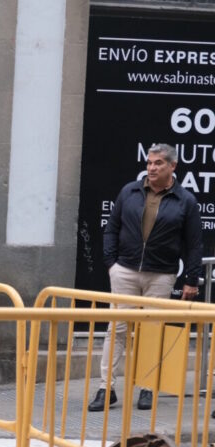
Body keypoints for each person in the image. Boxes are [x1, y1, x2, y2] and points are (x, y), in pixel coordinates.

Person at [89, 142, 201, 413]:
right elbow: (111, 228)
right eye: (149, 162)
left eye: (158, 163)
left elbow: (194, 244)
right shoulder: (130, 191)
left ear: (172, 166)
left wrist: (191, 279)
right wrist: (111, 264)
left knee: (152, 331)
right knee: (117, 329)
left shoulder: (185, 200)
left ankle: (147, 387)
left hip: (161, 275)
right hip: (125, 271)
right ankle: (106, 388)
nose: (151, 168)